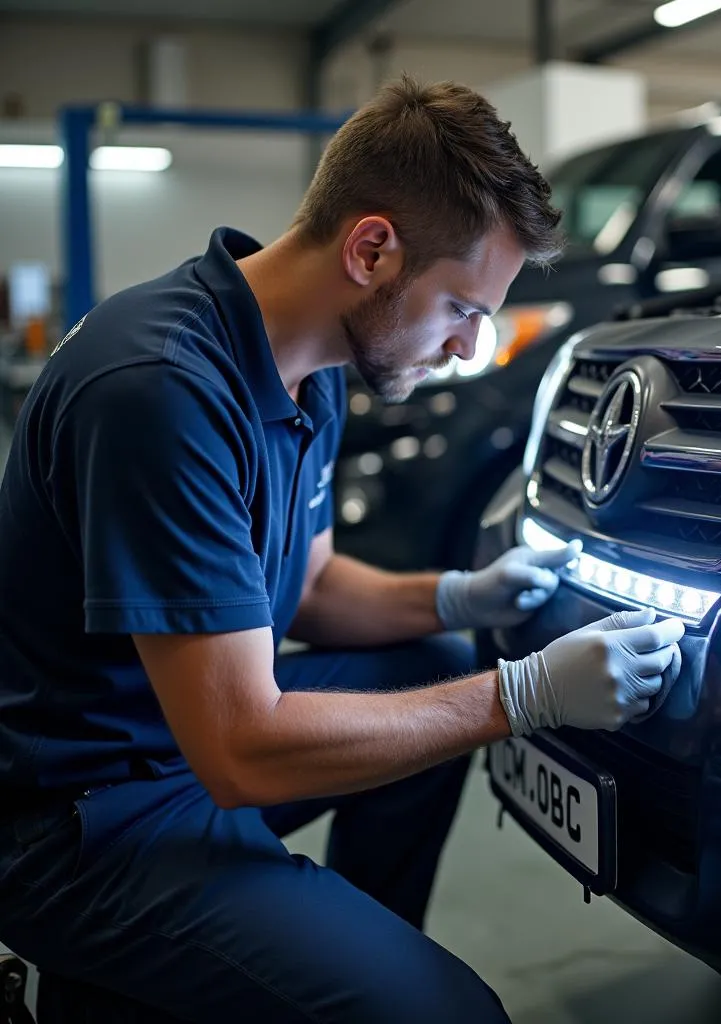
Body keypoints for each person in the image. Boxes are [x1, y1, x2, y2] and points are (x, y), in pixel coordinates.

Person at [0, 77, 684, 1022]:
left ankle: (336, 960)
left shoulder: (311, 365)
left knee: (433, 656)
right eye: (461, 309)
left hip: (178, 755)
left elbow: (310, 585)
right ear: (371, 249)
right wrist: (522, 695)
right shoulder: (159, 390)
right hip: (83, 820)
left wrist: (458, 598)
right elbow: (242, 750)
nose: (462, 347)